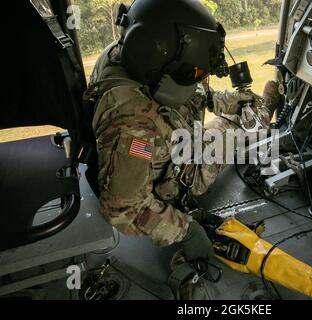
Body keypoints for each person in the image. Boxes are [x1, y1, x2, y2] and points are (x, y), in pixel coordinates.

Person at [87, 0, 281, 298]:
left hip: (174, 143)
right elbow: (123, 207)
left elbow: (190, 93)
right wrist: (186, 230)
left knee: (237, 112)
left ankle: (251, 109)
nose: (198, 79)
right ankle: (264, 112)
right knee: (245, 130)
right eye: (195, 73)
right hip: (179, 169)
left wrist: (227, 100)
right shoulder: (133, 124)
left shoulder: (131, 57)